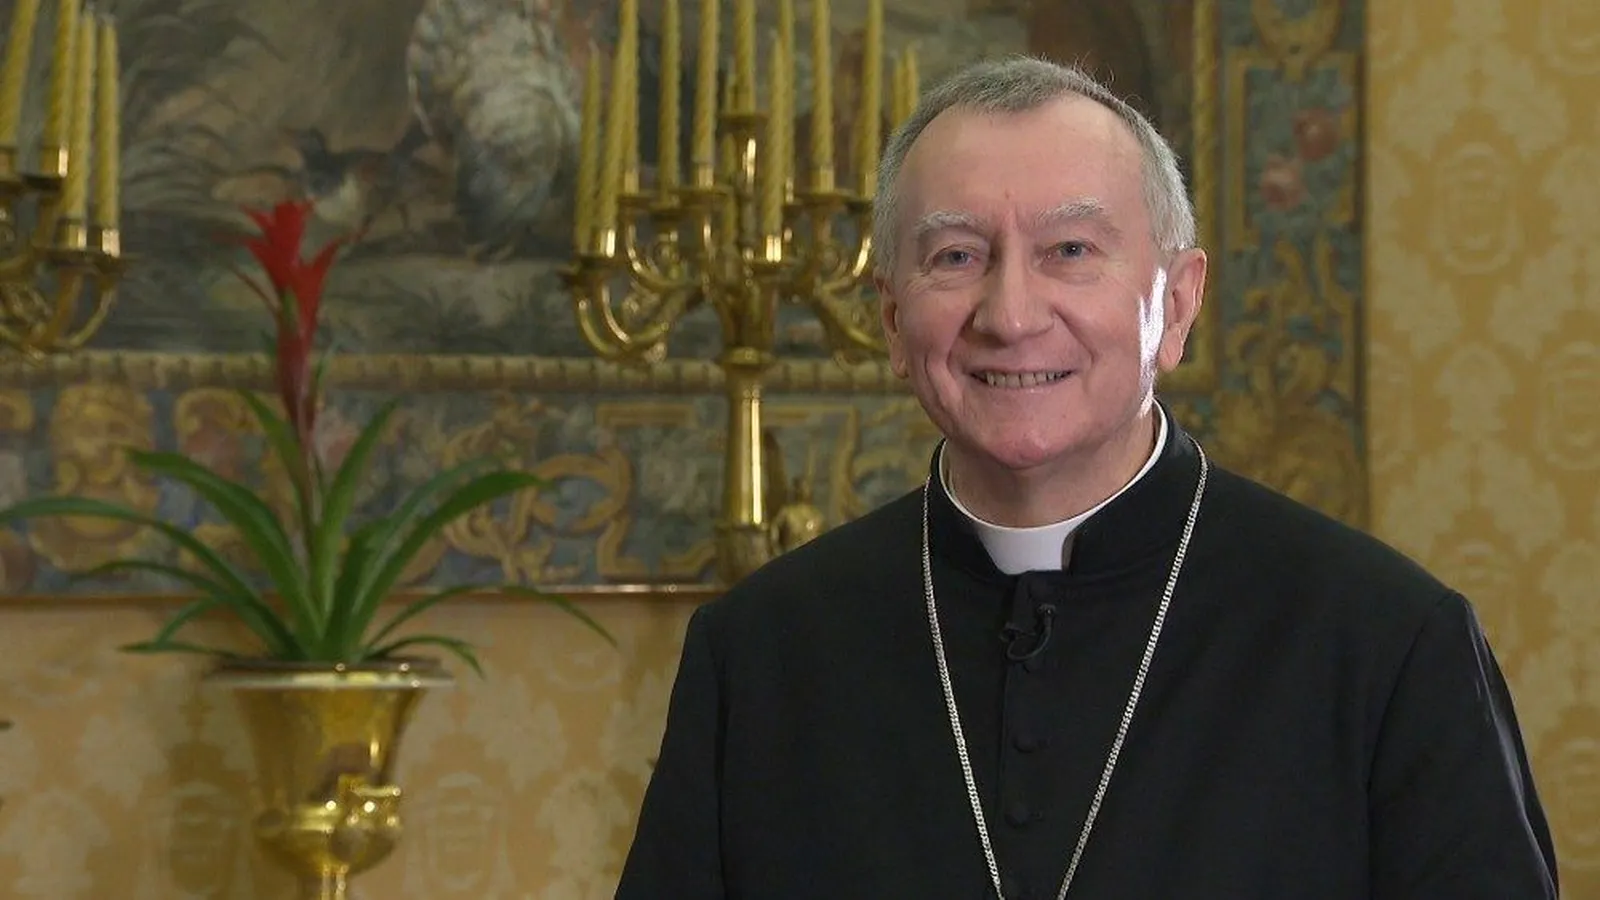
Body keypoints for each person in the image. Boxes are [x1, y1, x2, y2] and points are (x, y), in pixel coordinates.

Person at [614, 56, 1559, 899]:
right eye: (957, 256)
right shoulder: (759, 655)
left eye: (1069, 251)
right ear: (893, 320)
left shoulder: (1389, 645)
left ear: (1177, 304)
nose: (1010, 315)